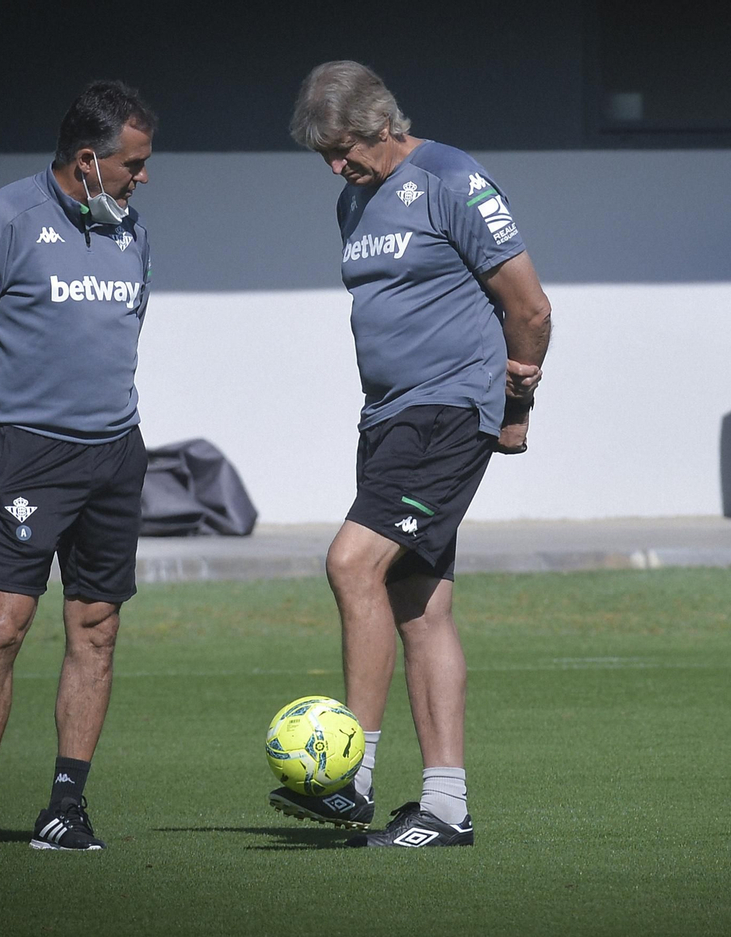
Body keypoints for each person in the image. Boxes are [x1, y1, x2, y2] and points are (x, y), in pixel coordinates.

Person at [269, 61, 552, 847]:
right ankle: (445, 807)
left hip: (448, 411)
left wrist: (515, 408)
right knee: (420, 606)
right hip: (388, 419)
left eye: (344, 147)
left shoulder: (453, 178)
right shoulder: (352, 198)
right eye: (324, 154)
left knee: (352, 563)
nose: (335, 165)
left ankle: (348, 779)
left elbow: (530, 307)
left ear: (383, 123)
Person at [0, 80, 156, 853]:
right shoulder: (6, 218)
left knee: (97, 628)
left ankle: (65, 807)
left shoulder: (131, 230)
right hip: (25, 450)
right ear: (87, 161)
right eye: (132, 165)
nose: (142, 178)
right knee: (2, 626)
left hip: (115, 452)